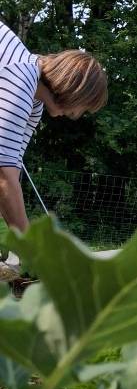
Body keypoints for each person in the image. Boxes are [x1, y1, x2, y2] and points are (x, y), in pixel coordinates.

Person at [0, 20, 107, 234]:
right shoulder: (24, 76)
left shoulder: (34, 105)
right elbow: (3, 173)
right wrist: (30, 250)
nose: (76, 117)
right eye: (83, 108)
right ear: (76, 90)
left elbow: (12, 169)